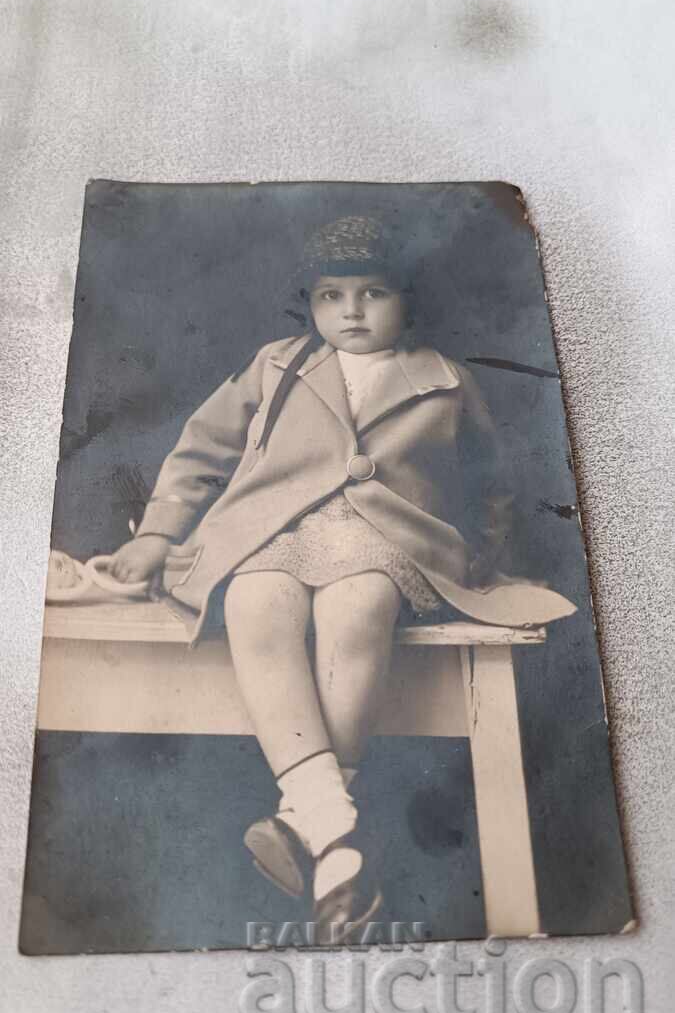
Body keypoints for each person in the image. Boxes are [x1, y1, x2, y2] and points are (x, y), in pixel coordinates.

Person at [109, 215, 575, 940]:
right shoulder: (276, 364)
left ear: (407, 300)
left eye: (373, 293)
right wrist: (157, 535)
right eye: (331, 295)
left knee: (357, 606)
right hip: (273, 531)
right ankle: (333, 831)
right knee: (256, 600)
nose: (351, 311)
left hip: (388, 539)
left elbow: (492, 481)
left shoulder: (443, 378)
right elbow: (200, 451)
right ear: (310, 302)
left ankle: (311, 823)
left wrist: (479, 555)